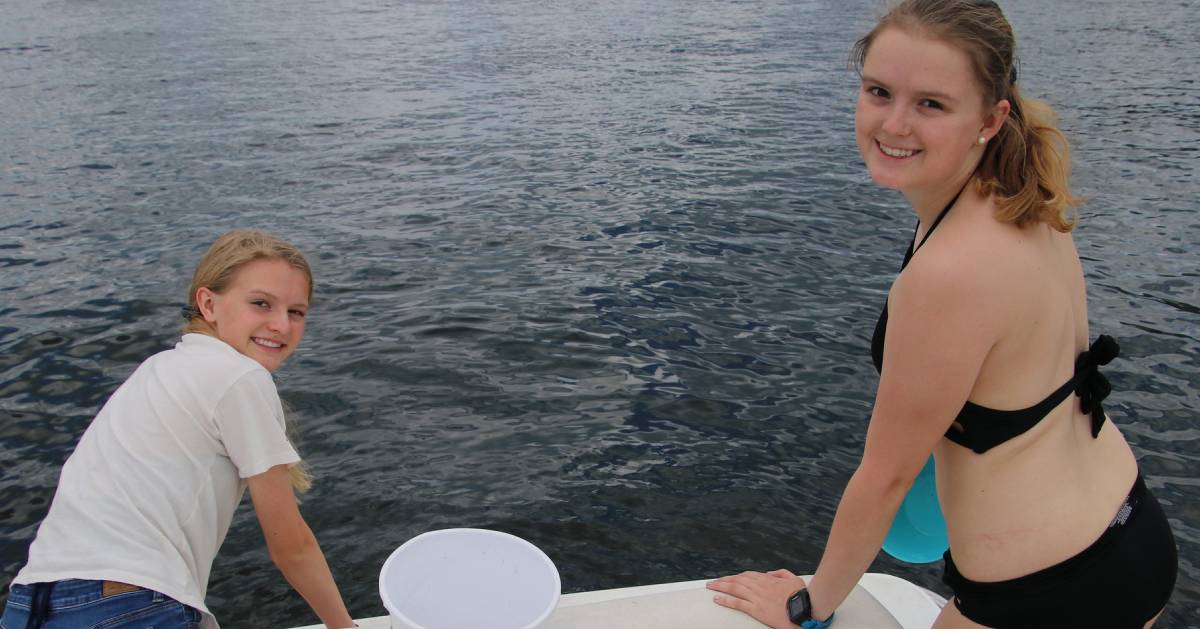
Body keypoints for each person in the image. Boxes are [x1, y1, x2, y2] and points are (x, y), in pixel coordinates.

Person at [706, 1, 1177, 627]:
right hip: (1129, 530)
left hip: (1044, 591)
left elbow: (886, 477)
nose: (894, 123)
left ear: (990, 118)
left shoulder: (948, 273)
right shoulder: (1023, 201)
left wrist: (807, 607)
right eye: (879, 91)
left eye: (931, 103)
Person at [2, 230, 355, 628]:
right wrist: (343, 625)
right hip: (126, 603)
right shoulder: (239, 378)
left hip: (30, 601)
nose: (281, 325)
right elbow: (291, 547)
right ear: (208, 303)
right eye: (261, 304)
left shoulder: (158, 368)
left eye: (296, 312)